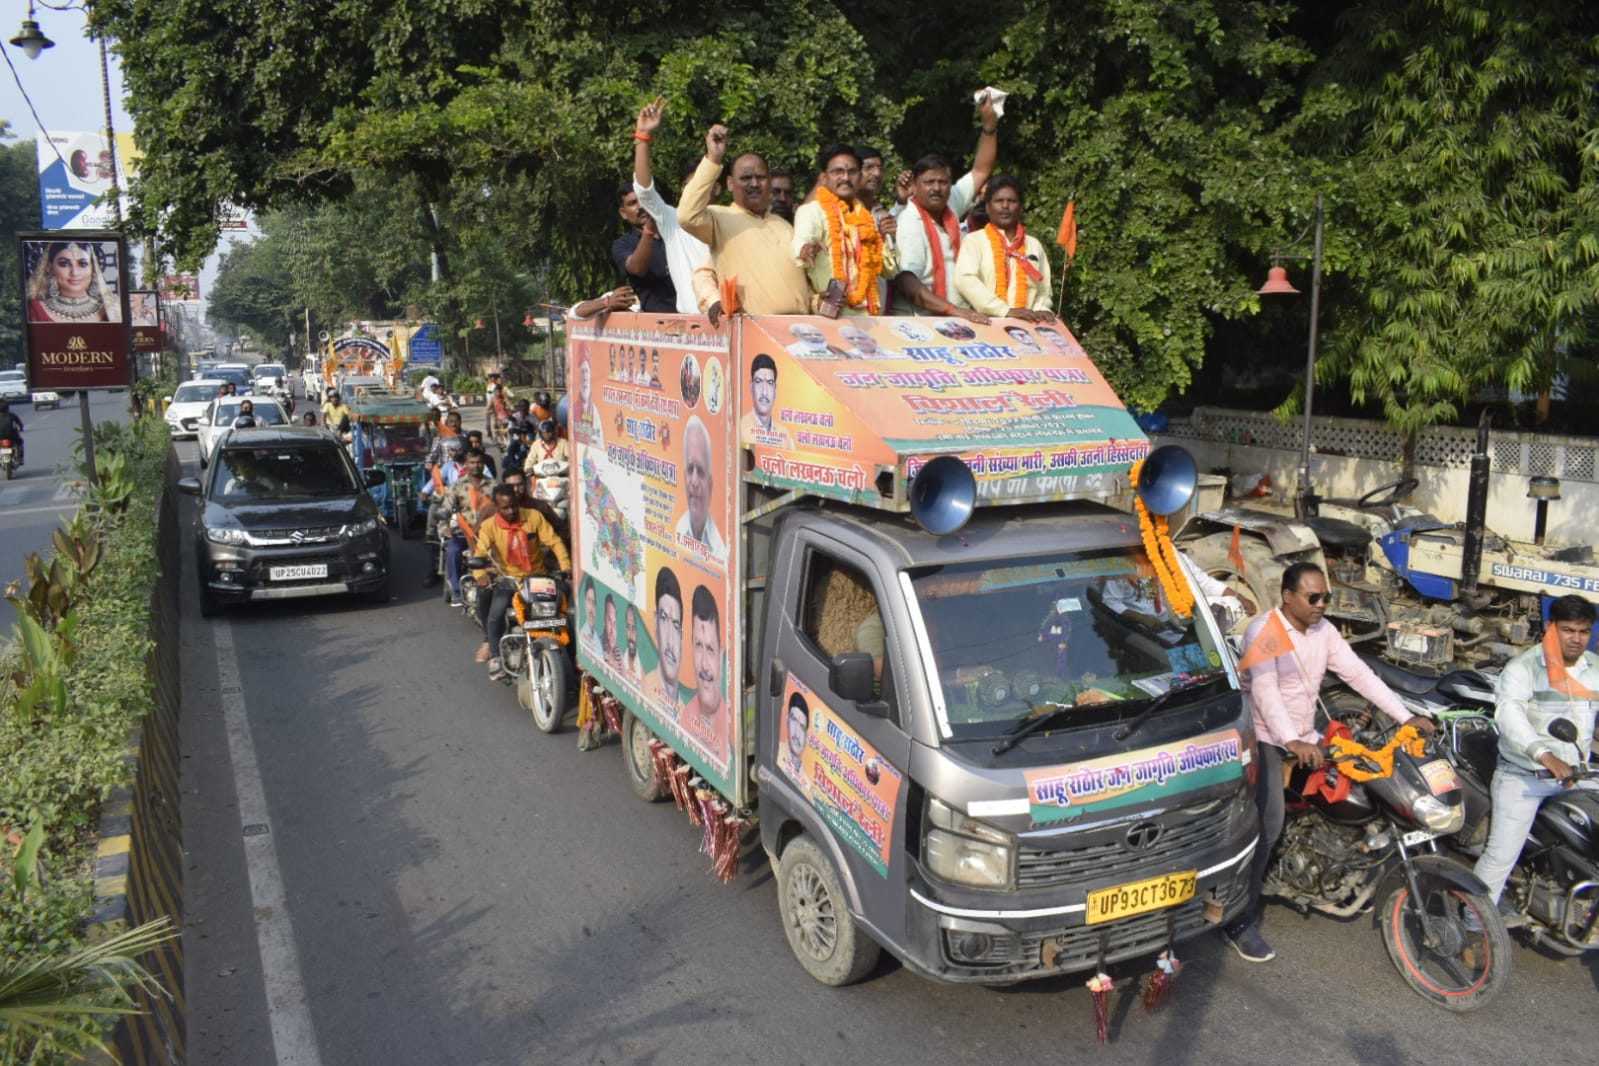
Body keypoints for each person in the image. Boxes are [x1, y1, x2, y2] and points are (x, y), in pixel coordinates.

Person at [1228, 562, 1436, 964]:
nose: (1322, 604)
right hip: (1264, 737)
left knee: (1359, 792)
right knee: (1268, 825)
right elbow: (1267, 693)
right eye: (1313, 597)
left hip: (1306, 735)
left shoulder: (1324, 631)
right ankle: (1238, 920)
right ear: (1287, 597)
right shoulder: (1264, 632)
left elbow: (1359, 674)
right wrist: (1290, 740)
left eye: (1327, 597)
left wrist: (1405, 716)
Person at [1471, 594, 1599, 919]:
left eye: (1583, 631)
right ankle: (1472, 926)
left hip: (1575, 775)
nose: (1576, 638)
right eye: (1568, 630)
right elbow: (1510, 716)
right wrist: (1544, 755)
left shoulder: (1594, 669)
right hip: (1523, 775)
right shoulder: (1524, 668)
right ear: (1549, 627)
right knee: (1500, 857)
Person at [679, 124, 811, 317]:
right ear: (730, 184)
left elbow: (803, 284)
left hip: (799, 332)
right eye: (746, 178)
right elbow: (686, 216)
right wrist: (713, 158)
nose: (755, 184)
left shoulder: (784, 226)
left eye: (761, 177)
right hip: (752, 333)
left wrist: (817, 301)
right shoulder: (720, 218)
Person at [894, 92, 1001, 320]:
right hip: (925, 322)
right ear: (915, 185)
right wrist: (955, 311)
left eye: (942, 182)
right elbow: (907, 281)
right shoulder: (910, 221)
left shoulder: (950, 202)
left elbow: (981, 170)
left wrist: (989, 124)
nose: (936, 188)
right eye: (929, 182)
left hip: (957, 317)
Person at [472, 484, 571, 681]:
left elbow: (555, 542)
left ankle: (572, 655)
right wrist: (481, 574)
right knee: (496, 612)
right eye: (505, 508)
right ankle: (495, 655)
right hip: (510, 580)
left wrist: (566, 566)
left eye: (513, 506)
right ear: (497, 507)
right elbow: (480, 554)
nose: (510, 511)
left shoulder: (533, 517)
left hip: (538, 578)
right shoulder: (489, 526)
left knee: (565, 608)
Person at [630, 98, 716, 315]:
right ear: (682, 191)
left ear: (717, 189)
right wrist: (642, 137)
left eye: (703, 185)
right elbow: (644, 191)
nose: (696, 192)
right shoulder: (672, 220)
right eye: (690, 186)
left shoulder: (730, 219)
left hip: (733, 324)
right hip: (693, 328)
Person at [793, 144, 893, 316]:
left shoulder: (865, 217)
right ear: (823, 178)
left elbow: (889, 271)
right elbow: (802, 243)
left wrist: (888, 238)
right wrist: (806, 250)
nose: (845, 177)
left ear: (860, 176)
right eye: (837, 172)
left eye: (852, 172)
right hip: (830, 316)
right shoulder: (812, 211)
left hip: (869, 318)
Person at [953, 175, 1058, 322]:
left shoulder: (1034, 245)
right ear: (988, 208)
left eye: (1012, 201)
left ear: (1020, 207)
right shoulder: (974, 241)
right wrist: (1005, 311)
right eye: (998, 201)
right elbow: (965, 281)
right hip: (986, 325)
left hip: (1028, 327)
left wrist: (1041, 310)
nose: (1005, 206)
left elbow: (1043, 289)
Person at [442, 448, 497, 608]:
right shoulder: (457, 487)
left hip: (487, 535)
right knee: (453, 551)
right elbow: (445, 510)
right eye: (472, 462)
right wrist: (445, 528)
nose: (476, 466)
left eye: (479, 462)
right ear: (466, 464)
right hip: (463, 533)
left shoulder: (493, 486)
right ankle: (458, 591)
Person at [612, 181, 678, 313]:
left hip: (698, 315)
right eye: (633, 203)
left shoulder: (677, 231)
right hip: (658, 323)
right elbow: (637, 268)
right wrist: (649, 230)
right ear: (623, 213)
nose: (641, 206)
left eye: (645, 200)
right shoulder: (623, 244)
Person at [681, 584, 728, 763]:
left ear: (720, 654)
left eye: (710, 649)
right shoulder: (686, 717)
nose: (703, 665)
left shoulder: (730, 727)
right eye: (698, 646)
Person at [26, 241, 121, 323]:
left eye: (82, 264)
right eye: (64, 264)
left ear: (93, 269)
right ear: (50, 268)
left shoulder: (112, 311)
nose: (74, 272)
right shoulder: (33, 310)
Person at [675, 415, 726, 559]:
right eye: (690, 470)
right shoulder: (677, 531)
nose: (694, 482)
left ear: (710, 485)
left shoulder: (719, 550)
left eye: (701, 472)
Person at [647, 566, 684, 714]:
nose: (669, 639)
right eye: (663, 619)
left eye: (675, 625)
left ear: (681, 637)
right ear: (655, 622)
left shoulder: (686, 712)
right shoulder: (646, 687)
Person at [740, 353, 792, 448]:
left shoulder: (785, 436)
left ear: (775, 389)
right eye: (758, 382)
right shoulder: (740, 429)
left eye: (769, 383)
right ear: (751, 387)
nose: (764, 392)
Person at [781, 690, 809, 781]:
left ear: (807, 737)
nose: (797, 733)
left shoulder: (807, 785)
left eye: (802, 727)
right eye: (794, 719)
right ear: (787, 720)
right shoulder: (776, 754)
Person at [0, 402, 24, 468]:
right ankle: (19, 458)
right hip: (11, 435)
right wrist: (20, 428)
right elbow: (19, 424)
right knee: (20, 442)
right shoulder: (12, 415)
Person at [624, 605, 643, 679]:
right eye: (628, 627)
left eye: (634, 628)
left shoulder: (642, 671)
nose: (631, 633)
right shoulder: (621, 661)